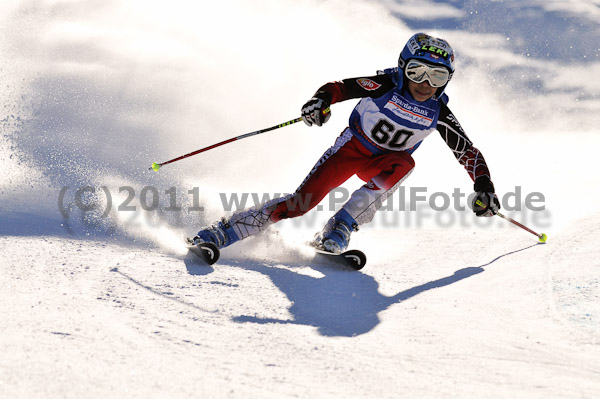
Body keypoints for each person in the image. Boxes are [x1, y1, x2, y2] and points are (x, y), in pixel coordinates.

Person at [190, 32, 500, 253]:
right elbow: (340, 88)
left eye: (437, 76)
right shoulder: (384, 85)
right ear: (403, 67)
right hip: (350, 150)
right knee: (301, 204)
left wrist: (484, 185)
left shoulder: (439, 112)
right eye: (417, 72)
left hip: (382, 164)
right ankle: (227, 230)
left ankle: (342, 223)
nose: (424, 84)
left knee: (405, 163)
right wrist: (319, 102)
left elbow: (467, 151)